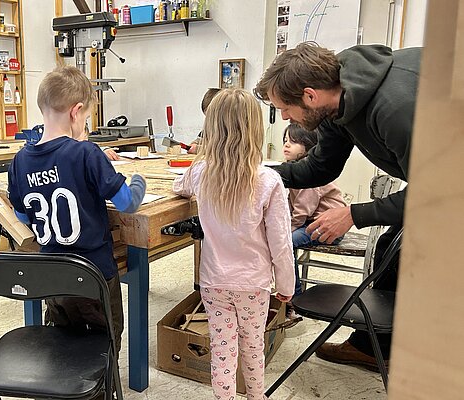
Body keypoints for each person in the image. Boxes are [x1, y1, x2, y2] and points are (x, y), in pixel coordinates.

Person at [254, 42, 418, 371]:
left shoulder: (394, 109)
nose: (284, 117)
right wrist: (259, 175)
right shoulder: (336, 103)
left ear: (310, 95)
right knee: (391, 249)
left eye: (286, 107)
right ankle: (374, 349)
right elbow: (320, 167)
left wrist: (355, 214)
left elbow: (438, 192)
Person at [7, 66, 147, 359]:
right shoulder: (85, 153)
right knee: (103, 346)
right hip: (93, 274)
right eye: (85, 117)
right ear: (76, 111)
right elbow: (127, 203)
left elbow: (22, 217)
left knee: (63, 344)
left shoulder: (19, 161)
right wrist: (138, 180)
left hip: (53, 275)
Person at [173, 88, 294, 400]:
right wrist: (287, 284)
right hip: (253, 284)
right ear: (256, 129)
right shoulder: (269, 180)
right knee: (252, 347)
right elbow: (281, 242)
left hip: (214, 282)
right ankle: (256, 396)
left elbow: (179, 185)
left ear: (211, 129)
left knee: (222, 350)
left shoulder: (200, 172)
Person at [282, 124, 346, 297]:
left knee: (287, 242)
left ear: (309, 144)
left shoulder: (309, 170)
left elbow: (303, 207)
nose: (286, 145)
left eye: (293, 141)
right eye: (285, 140)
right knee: (282, 238)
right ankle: (287, 291)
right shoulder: (291, 167)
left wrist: (288, 228)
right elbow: (290, 202)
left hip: (330, 226)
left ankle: (293, 297)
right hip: (311, 222)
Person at [187, 87, 221, 154]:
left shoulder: (230, 132)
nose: (209, 120)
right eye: (207, 116)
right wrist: (194, 144)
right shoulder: (208, 130)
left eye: (212, 116)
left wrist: (199, 149)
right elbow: (200, 140)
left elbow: (222, 150)